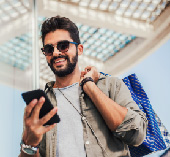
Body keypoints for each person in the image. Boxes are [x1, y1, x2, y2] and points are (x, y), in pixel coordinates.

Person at [19, 16, 148, 157]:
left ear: (79, 49)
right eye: (49, 49)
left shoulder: (110, 86)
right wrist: (29, 145)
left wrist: (89, 86)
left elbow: (137, 135)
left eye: (63, 46)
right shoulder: (41, 106)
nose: (56, 53)